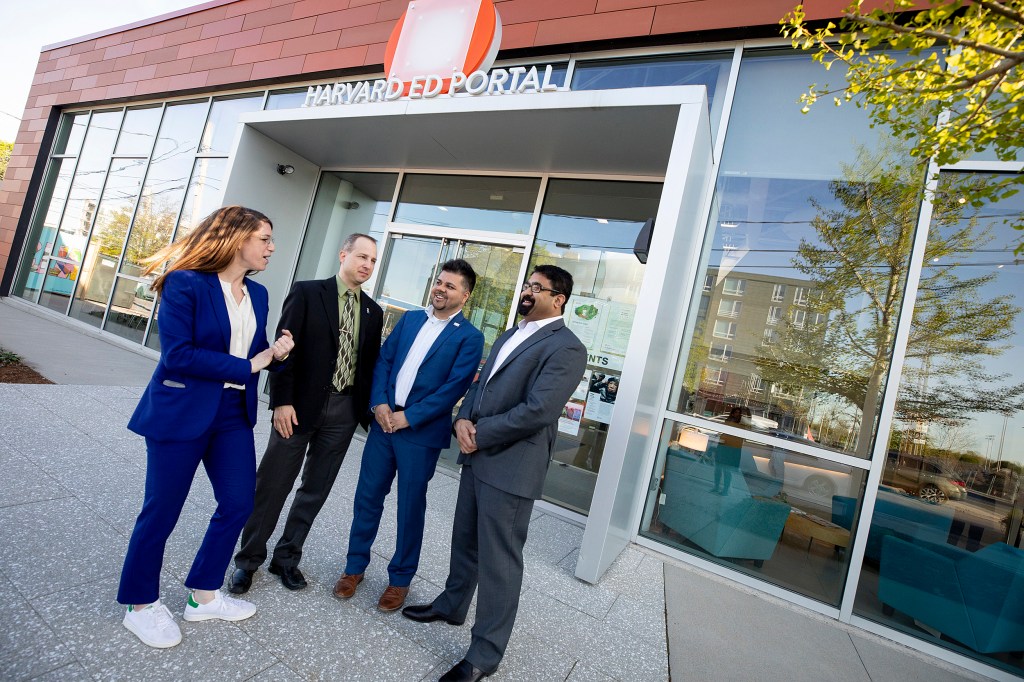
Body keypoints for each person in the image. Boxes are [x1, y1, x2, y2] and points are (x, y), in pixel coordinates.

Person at [117, 206, 295, 649]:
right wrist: (252, 362)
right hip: (182, 410)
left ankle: (203, 595)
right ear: (236, 239)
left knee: (238, 503)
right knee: (162, 510)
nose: (272, 248)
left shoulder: (258, 295)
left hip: (233, 413)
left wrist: (277, 351)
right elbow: (178, 354)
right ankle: (140, 605)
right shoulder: (185, 282)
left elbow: (255, 351)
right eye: (265, 238)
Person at [402, 265, 587, 682]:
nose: (527, 291)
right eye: (526, 285)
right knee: (464, 539)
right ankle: (451, 605)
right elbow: (480, 385)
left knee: (500, 561)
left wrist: (480, 433)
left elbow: (538, 410)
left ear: (558, 299)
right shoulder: (512, 332)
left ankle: (484, 654)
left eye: (536, 288)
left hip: (512, 465)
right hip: (478, 453)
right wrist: (463, 420)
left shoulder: (567, 348)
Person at [228, 233, 383, 594]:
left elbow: (369, 365)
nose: (367, 265)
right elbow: (284, 350)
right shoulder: (309, 292)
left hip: (344, 412)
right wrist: (281, 401)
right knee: (273, 485)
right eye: (362, 256)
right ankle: (247, 561)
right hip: (297, 408)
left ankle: (286, 558)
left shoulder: (373, 312)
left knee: (315, 490)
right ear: (343, 253)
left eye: (373, 261)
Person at [334, 259, 484, 612]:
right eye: (439, 282)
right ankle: (354, 568)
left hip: (419, 434)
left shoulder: (470, 337)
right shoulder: (412, 318)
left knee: (409, 507)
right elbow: (384, 361)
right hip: (383, 426)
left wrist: (408, 418)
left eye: (450, 286)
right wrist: (380, 405)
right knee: (367, 498)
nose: (441, 289)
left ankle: (400, 580)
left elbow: (452, 389)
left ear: (466, 295)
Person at [711, 406, 750, 496]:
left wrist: (748, 412)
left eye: (739, 413)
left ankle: (725, 490)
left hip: (733, 449)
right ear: (732, 413)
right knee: (718, 469)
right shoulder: (727, 422)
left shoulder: (742, 424)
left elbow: (749, 423)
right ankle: (716, 487)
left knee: (727, 471)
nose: (738, 414)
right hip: (723, 446)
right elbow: (722, 432)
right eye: (736, 412)